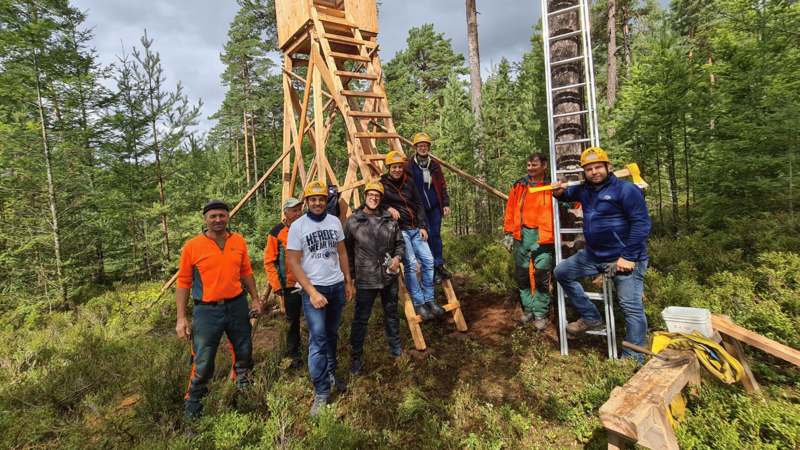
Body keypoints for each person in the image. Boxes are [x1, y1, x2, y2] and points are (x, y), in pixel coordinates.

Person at [551, 147, 652, 363]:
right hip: (594, 255)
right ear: (584, 172)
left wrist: (628, 256)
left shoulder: (626, 190)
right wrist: (557, 191)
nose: (594, 172)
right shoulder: (584, 190)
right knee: (562, 272)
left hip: (623, 257)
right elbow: (565, 195)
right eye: (589, 169)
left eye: (598, 167)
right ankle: (591, 317)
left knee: (631, 307)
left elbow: (641, 224)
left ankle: (632, 357)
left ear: (608, 167)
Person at [175, 199, 262, 420]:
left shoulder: (238, 241)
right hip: (206, 311)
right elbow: (184, 282)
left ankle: (245, 397)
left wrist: (255, 299)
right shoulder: (193, 246)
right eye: (212, 216)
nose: (217, 219)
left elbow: (247, 271)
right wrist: (181, 317)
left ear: (228, 217)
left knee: (244, 353)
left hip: (237, 305)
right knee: (202, 362)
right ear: (205, 219)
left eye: (222, 215)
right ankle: (193, 413)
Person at [286, 180, 354, 416]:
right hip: (314, 289)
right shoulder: (298, 226)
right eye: (313, 199)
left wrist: (348, 281)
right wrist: (312, 292)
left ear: (327, 201)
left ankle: (331, 373)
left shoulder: (334, 221)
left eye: (321, 199)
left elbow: (342, 252)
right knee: (317, 340)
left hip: (336, 286)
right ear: (306, 202)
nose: (317, 203)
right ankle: (322, 392)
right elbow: (293, 263)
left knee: (332, 334)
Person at [343, 181, 406, 377]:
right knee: (361, 318)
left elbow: (400, 244)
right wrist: (351, 277)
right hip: (365, 278)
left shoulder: (389, 219)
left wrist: (397, 258)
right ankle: (355, 356)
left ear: (381, 198)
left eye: (377, 196)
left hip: (388, 277)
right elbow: (346, 252)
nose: (374, 198)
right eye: (371, 195)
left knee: (391, 313)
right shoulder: (353, 221)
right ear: (365, 196)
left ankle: (395, 347)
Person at [380, 151, 446, 321]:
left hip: (416, 228)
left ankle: (430, 299)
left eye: (399, 167)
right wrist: (387, 208)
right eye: (393, 167)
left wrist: (422, 226)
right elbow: (374, 204)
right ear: (388, 168)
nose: (397, 170)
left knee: (428, 261)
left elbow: (418, 204)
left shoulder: (409, 182)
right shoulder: (383, 185)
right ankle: (419, 303)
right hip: (400, 232)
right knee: (409, 265)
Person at [503, 153, 563, 331]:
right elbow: (511, 209)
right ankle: (528, 309)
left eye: (534, 165)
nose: (530, 168)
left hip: (544, 237)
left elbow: (571, 204)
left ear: (544, 166)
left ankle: (540, 313)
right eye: (528, 165)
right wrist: (508, 232)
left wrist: (563, 188)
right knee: (522, 275)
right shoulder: (519, 185)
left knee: (542, 277)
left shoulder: (552, 185)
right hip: (521, 236)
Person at [403, 132, 452, 285]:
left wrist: (445, 203)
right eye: (420, 145)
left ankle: (439, 265)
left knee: (436, 234)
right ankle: (431, 269)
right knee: (427, 235)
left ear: (429, 147)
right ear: (415, 147)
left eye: (425, 145)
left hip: (434, 205)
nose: (423, 148)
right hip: (419, 208)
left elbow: (442, 185)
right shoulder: (409, 166)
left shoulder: (434, 165)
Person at [264, 198, 304, 369]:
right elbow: (269, 261)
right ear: (285, 212)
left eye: (299, 209)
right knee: (292, 320)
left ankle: (317, 349)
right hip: (290, 284)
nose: (298, 213)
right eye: (294, 210)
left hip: (311, 281)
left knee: (316, 317)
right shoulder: (276, 232)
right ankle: (294, 354)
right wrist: (277, 286)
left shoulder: (307, 225)